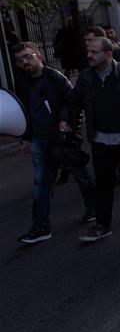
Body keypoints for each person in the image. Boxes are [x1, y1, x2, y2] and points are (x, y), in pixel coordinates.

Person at [66, 38, 120, 242]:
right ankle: (103, 224)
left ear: (108, 54)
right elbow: (75, 101)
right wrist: (68, 121)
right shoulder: (85, 78)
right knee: (104, 183)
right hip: (101, 139)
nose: (89, 55)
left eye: (94, 52)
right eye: (88, 51)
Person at [12, 43, 97, 244]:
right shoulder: (21, 83)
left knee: (80, 175)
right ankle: (41, 227)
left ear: (39, 57)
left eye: (28, 56)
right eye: (20, 60)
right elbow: (22, 112)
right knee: (41, 183)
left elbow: (72, 100)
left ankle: (94, 209)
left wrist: (65, 121)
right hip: (39, 140)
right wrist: (24, 137)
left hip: (61, 137)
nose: (25, 62)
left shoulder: (55, 77)